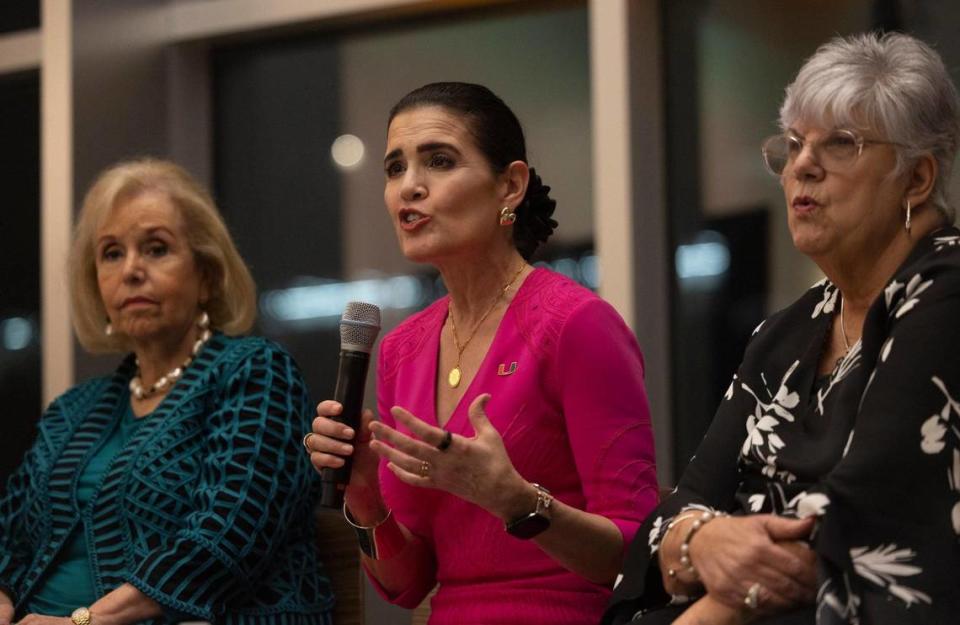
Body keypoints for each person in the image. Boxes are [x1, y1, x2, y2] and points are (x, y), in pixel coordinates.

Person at [604, 32, 960, 625]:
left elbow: (853, 530)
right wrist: (701, 541)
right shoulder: (786, 333)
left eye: (840, 144)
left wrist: (717, 595)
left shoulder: (946, 292)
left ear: (917, 179)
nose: (802, 166)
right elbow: (670, 518)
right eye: (792, 145)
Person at [304, 82, 658, 624]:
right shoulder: (401, 349)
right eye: (395, 168)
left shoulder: (577, 324)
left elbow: (638, 556)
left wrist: (517, 502)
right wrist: (366, 494)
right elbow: (406, 586)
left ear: (510, 186)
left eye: (439, 161)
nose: (409, 188)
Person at [0, 159, 334, 625]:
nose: (131, 270)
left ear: (206, 275)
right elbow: (10, 536)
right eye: (111, 253)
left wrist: (85, 623)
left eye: (156, 249)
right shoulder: (71, 411)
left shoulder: (254, 373)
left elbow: (224, 540)